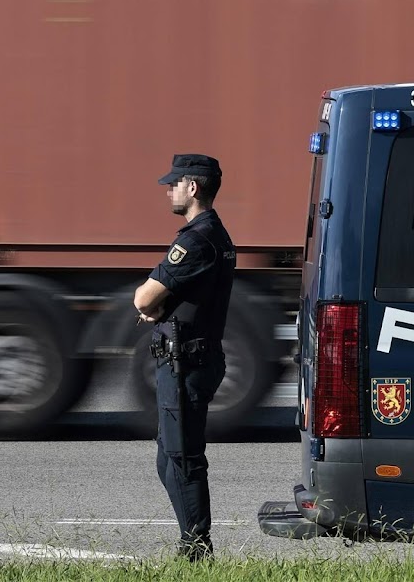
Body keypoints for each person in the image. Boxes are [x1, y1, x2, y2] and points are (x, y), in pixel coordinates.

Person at [133, 153, 236, 562]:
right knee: (170, 456)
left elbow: (144, 297)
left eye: (174, 184)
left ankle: (196, 549)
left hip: (186, 365)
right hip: (190, 359)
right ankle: (193, 541)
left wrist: (154, 304)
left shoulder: (195, 240)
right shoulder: (216, 235)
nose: (169, 190)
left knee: (182, 458)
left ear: (193, 187)